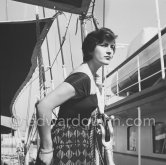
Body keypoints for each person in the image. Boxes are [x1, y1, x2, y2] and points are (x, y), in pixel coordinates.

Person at [35, 27, 117, 165]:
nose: (110, 51)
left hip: (77, 142)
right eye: (104, 45)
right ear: (90, 49)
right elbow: (43, 106)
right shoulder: (82, 78)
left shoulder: (89, 76)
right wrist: (46, 149)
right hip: (67, 143)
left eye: (112, 47)